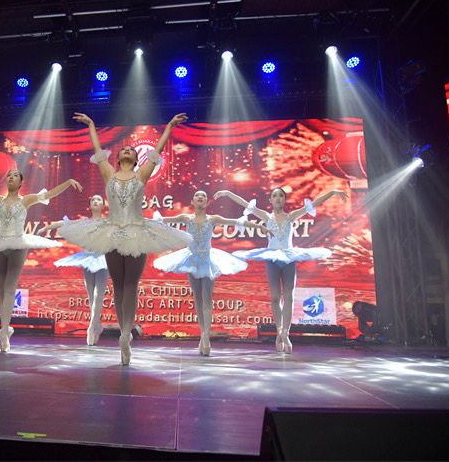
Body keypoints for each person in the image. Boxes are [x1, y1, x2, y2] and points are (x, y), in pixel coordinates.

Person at [60, 112, 192, 365]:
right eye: (124, 149)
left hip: (136, 232)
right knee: (118, 285)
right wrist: (92, 125)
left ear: (136, 158)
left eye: (132, 150)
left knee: (130, 284)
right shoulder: (109, 174)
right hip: (111, 232)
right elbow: (97, 151)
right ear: (118, 157)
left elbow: (157, 150)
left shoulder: (141, 175)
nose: (128, 151)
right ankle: (123, 334)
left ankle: (125, 335)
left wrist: (168, 126)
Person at [0, 169, 82, 352]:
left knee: (10, 287)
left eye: (15, 175)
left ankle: (4, 330)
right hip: (0, 243)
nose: (11, 177)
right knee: (2, 289)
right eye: (9, 175)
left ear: (21, 182)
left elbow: (49, 194)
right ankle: (6, 328)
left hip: (18, 244)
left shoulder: (25, 200)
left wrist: (68, 182)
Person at [214, 187, 347, 353]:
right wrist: (227, 193)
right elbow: (244, 203)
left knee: (289, 297)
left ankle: (286, 334)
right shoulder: (266, 216)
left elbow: (314, 203)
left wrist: (332, 192)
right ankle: (279, 332)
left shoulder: (291, 216)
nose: (278, 198)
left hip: (289, 258)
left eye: (281, 196)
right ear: (270, 200)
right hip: (272, 259)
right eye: (274, 196)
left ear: (284, 200)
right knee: (275, 297)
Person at [153, 190, 270, 356]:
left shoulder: (213, 219)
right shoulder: (186, 218)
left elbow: (236, 222)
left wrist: (259, 226)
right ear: (193, 202)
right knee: (198, 299)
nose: (200, 197)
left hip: (207, 260)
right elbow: (161, 220)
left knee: (207, 298)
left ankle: (206, 336)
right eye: (197, 195)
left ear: (206, 202)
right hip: (191, 260)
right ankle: (203, 333)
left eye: (203, 196)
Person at [39, 194, 109, 346]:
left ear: (103, 205)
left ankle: (92, 327)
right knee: (91, 295)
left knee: (99, 294)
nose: (95, 201)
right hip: (88, 258)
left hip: (103, 259)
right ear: (89, 206)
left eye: (98, 200)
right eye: (93, 200)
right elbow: (65, 223)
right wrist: (46, 228)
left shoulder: (108, 222)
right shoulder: (84, 222)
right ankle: (97, 325)